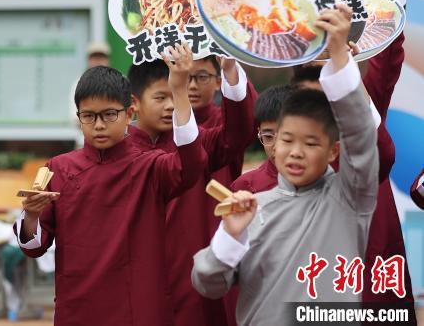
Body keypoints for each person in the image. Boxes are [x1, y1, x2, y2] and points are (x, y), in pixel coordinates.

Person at [192, 4, 380, 324]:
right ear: (273, 141)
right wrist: (231, 235)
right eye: (287, 139)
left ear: (333, 151)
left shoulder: (349, 198)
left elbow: (362, 137)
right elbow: (208, 284)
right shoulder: (253, 207)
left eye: (311, 143)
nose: (295, 152)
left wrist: (338, 57)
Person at [15, 44, 208, 326]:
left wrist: (179, 91)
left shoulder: (150, 166)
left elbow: (191, 164)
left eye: (109, 114)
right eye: (89, 116)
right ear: (78, 117)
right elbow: (34, 247)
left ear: (130, 113)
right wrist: (31, 215)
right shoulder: (58, 168)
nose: (99, 125)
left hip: (139, 311)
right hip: (77, 310)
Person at [127, 56, 256, 326]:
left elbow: (238, 134)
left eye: (176, 94)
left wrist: (230, 69)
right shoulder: (119, 152)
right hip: (138, 280)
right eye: (160, 97)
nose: (171, 105)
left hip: (192, 276)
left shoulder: (197, 142)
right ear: (134, 103)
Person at [231, 84, 294, 193]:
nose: (277, 147)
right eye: (268, 137)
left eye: (286, 138)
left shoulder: (322, 183)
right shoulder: (245, 187)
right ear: (259, 132)